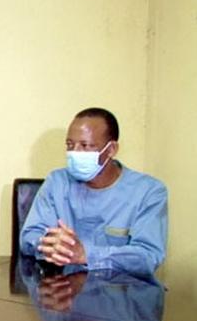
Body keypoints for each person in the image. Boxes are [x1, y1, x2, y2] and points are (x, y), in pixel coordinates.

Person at [19, 108, 168, 275]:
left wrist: (86, 254)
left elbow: (149, 256)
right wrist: (47, 245)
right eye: (70, 145)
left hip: (120, 294)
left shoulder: (148, 192)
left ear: (111, 149)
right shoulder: (57, 182)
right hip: (63, 291)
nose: (75, 153)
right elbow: (29, 236)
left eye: (85, 146)